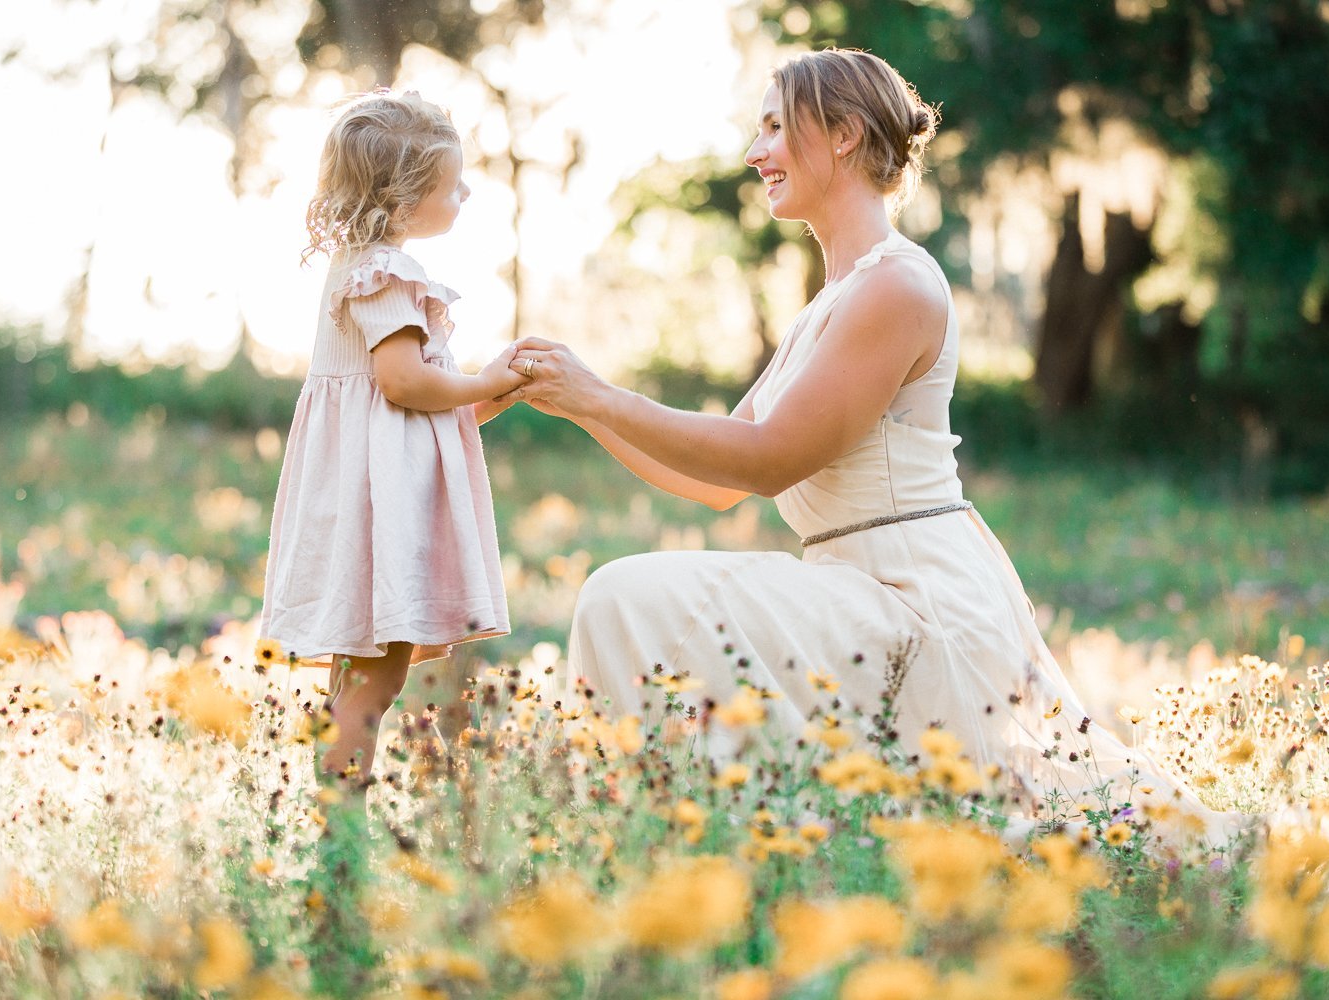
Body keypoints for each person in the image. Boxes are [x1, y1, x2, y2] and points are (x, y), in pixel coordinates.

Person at [502, 49, 1241, 848]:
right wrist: (579, 408)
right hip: (847, 592)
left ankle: (677, 845)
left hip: (911, 597)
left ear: (846, 134)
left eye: (776, 127)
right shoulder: (832, 305)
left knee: (624, 597)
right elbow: (715, 482)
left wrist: (604, 397)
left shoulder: (898, 288)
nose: (756, 153)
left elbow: (767, 458)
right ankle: (686, 851)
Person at [259, 91, 530, 786]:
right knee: (375, 681)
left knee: (362, 679)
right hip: (379, 514)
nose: (466, 192)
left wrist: (490, 393)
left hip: (370, 492)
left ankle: (337, 818)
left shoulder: (359, 268)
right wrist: (480, 380)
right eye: (452, 185)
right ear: (404, 203)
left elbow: (414, 416)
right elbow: (404, 385)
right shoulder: (387, 272)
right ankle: (340, 825)